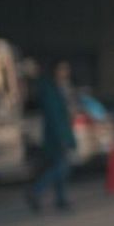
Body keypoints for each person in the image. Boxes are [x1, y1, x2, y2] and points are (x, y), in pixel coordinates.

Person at [26, 60, 76, 212]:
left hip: (59, 134)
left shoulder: (58, 88)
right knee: (61, 168)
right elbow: (55, 117)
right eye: (63, 70)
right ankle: (36, 191)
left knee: (59, 166)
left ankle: (60, 199)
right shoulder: (51, 90)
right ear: (55, 71)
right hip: (56, 136)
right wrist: (63, 137)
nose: (66, 73)